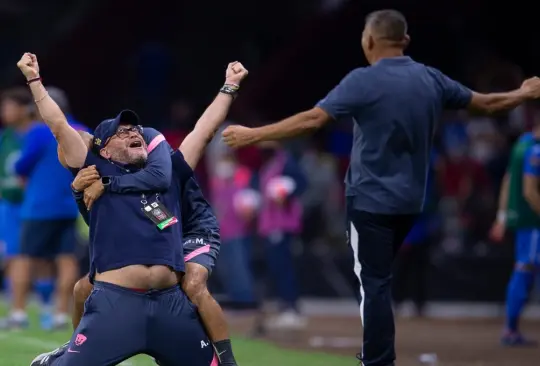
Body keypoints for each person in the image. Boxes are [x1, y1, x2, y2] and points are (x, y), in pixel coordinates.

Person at [221, 9, 540, 366]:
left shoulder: (362, 80)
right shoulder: (430, 78)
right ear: (404, 41)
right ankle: (375, 352)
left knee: (372, 283)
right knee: (379, 279)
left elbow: (313, 119)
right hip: (410, 203)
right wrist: (523, 92)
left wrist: (255, 135)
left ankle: (377, 360)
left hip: (370, 201)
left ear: (368, 41)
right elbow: (486, 103)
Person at [15, 53, 245, 365]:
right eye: (122, 132)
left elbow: (204, 130)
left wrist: (229, 86)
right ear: (105, 148)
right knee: (82, 291)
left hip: (170, 307)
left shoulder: (168, 170)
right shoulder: (91, 171)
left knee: (192, 289)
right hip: (116, 305)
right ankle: (63, 353)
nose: (133, 132)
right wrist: (34, 80)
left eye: (135, 129)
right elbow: (58, 125)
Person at [490, 126, 540, 346]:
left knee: (523, 269)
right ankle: (510, 329)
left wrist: (502, 216)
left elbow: (508, 180)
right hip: (532, 222)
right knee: (524, 270)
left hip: (520, 219)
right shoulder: (536, 151)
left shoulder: (522, 142)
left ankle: (510, 329)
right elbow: (529, 191)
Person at [252, 142, 308, 329]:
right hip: (270, 225)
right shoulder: (268, 166)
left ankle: (291, 309)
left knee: (283, 267)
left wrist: (287, 191)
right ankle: (285, 307)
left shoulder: (285, 163)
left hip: (282, 224)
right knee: (276, 267)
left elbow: (300, 183)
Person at [0, 88, 31, 327]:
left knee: (26, 257)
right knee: (12, 256)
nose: (5, 112)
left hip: (31, 205)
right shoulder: (4, 138)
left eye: (10, 107)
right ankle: (16, 308)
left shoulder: (35, 135)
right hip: (8, 205)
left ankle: (29, 306)